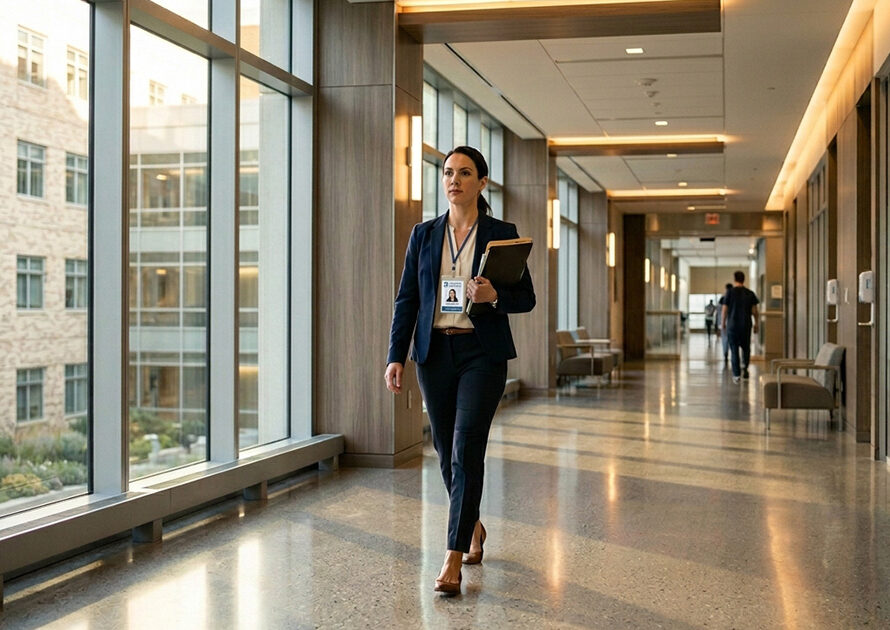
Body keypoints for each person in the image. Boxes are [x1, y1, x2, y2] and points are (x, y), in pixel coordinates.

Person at [384, 146, 536, 595]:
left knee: (466, 448)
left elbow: (525, 298)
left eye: (465, 173)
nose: (454, 180)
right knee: (446, 451)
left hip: (481, 354)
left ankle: (452, 556)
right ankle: (473, 527)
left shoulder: (501, 234)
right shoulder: (424, 235)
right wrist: (396, 354)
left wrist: (494, 298)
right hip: (434, 354)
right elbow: (407, 298)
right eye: (448, 172)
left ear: (481, 183)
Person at [721, 271, 759, 383]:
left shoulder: (729, 292)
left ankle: (736, 375)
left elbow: (724, 310)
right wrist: (756, 323)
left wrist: (723, 323)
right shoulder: (750, 293)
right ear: (744, 279)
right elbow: (755, 311)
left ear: (735, 279)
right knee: (746, 348)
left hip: (732, 326)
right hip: (746, 325)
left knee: (734, 350)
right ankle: (745, 367)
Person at [717, 283, 732, 362]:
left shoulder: (723, 298)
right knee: (732, 340)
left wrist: (720, 323)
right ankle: (731, 354)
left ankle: (725, 353)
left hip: (724, 322)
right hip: (732, 322)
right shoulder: (734, 298)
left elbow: (720, 313)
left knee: (725, 339)